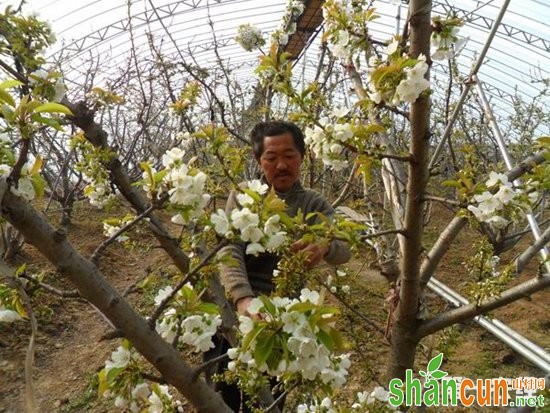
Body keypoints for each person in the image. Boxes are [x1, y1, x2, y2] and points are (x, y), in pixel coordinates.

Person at [207, 120, 351, 412]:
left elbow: (345, 248)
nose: (281, 165)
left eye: (289, 155)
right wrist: (243, 298)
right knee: (222, 397)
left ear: (303, 156)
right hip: (234, 313)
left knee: (269, 400)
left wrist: (324, 245)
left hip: (282, 322)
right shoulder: (247, 195)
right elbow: (229, 250)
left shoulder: (313, 203)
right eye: (271, 158)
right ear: (259, 160)